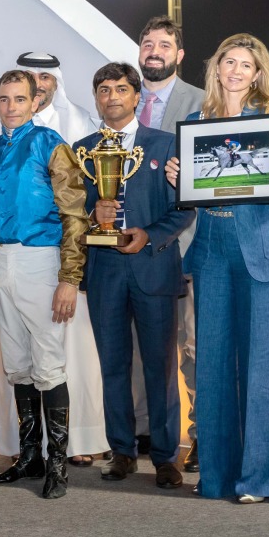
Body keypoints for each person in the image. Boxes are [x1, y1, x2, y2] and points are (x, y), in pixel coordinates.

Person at [165, 33, 269, 503]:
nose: (236, 71)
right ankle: (218, 477)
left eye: (246, 64)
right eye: (229, 62)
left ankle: (258, 481)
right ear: (217, 68)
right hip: (211, 250)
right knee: (212, 367)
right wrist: (175, 180)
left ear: (258, 73)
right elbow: (187, 195)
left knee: (262, 368)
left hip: (262, 250)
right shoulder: (197, 120)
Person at [0, 53, 107, 467]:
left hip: (41, 261)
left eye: (19, 99)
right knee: (17, 364)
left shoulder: (52, 145)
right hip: (1, 263)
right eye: (3, 99)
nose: (10, 107)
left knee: (48, 362)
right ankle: (29, 457)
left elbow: (74, 215)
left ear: (35, 102)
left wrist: (69, 278)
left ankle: (57, 464)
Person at [75, 62, 194, 490]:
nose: (112, 97)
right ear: (96, 98)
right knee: (113, 367)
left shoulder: (165, 144)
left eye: (121, 89)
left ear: (136, 96)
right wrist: (93, 214)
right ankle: (122, 451)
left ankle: (165, 457)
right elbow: (70, 215)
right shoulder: (82, 150)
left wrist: (149, 236)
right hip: (105, 272)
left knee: (161, 369)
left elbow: (185, 207)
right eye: (103, 89)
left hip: (154, 269)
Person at [135, 16, 204, 471]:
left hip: (187, 243)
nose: (154, 51)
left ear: (179, 55)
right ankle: (145, 433)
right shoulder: (122, 102)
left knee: (193, 347)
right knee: (144, 347)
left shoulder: (202, 102)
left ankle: (203, 435)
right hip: (134, 249)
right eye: (147, 43)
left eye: (164, 44)